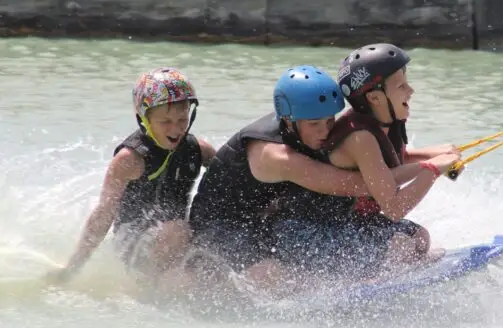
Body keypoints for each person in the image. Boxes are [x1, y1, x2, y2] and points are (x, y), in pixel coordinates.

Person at [187, 65, 422, 289]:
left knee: (415, 237)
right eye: (315, 124)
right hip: (221, 225)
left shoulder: (303, 125)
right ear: (289, 121)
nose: (325, 131)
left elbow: (381, 165)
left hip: (268, 217)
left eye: (330, 121)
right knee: (271, 275)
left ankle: (351, 276)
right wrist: (430, 168)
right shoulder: (275, 156)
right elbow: (358, 185)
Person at [270, 43, 462, 280]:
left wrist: (435, 154)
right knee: (400, 246)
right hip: (305, 231)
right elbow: (393, 208)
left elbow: (390, 162)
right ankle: (361, 285)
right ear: (375, 97)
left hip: (345, 224)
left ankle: (385, 272)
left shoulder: (384, 122)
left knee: (420, 237)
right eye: (401, 86)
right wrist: (432, 169)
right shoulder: (359, 138)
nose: (410, 91)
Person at [46, 67, 216, 284]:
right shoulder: (129, 160)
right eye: (165, 122)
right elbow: (103, 213)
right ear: (144, 119)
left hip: (175, 239)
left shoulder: (199, 149)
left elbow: (233, 179)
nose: (176, 129)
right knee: (178, 230)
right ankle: (151, 290)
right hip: (133, 244)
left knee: (200, 243)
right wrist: (72, 268)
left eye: (182, 119)